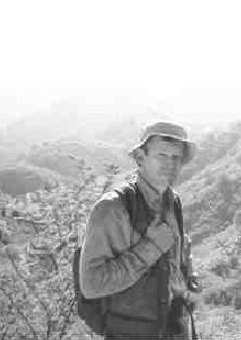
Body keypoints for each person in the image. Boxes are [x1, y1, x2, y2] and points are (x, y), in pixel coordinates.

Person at [79, 121, 201, 339]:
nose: (170, 164)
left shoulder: (173, 201)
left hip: (176, 329)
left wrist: (189, 278)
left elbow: (180, 251)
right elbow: (91, 284)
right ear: (140, 158)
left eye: (176, 157)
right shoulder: (112, 209)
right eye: (162, 155)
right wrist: (152, 247)